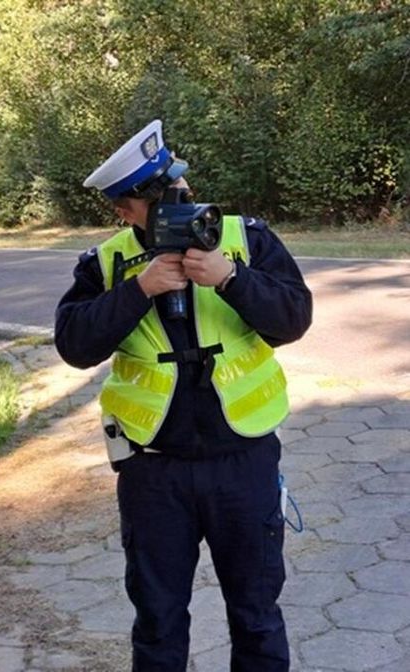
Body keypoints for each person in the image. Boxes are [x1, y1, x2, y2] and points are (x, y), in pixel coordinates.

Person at [54, 119, 313, 671]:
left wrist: (230, 278)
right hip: (154, 472)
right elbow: (74, 344)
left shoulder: (248, 239)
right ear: (125, 211)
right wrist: (138, 289)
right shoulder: (105, 264)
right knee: (159, 621)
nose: (179, 200)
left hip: (242, 462)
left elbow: (294, 318)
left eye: (177, 186)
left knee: (257, 616)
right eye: (158, 197)